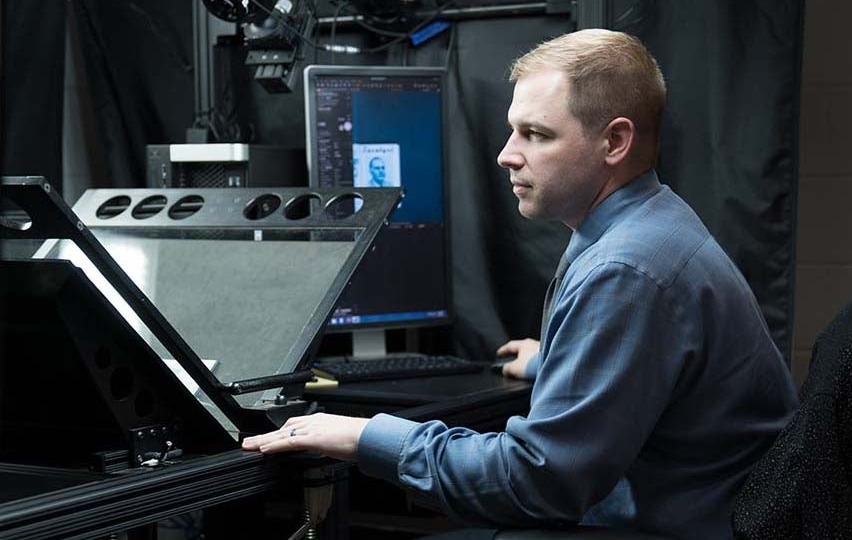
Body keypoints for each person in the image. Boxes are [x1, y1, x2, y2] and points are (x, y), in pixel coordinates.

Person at [243, 29, 798, 539]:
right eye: (513, 130)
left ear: (615, 142)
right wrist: (554, 360)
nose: (507, 154)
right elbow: (656, 374)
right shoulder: (653, 222)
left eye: (535, 134)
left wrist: (366, 438)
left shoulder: (626, 271)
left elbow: (538, 484)